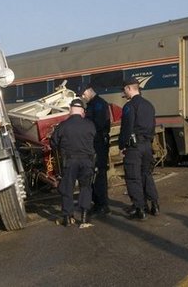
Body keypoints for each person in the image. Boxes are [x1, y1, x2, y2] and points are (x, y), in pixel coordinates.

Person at [50, 98, 96, 227]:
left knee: (67, 188)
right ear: (82, 111)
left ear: (70, 109)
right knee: (85, 187)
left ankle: (67, 218)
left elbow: (53, 143)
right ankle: (85, 218)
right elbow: (95, 139)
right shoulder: (90, 125)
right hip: (87, 160)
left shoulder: (62, 126)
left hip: (69, 161)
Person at [118, 77, 160, 220]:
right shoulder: (149, 105)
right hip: (147, 146)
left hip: (134, 147)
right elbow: (153, 126)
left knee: (133, 177)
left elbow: (126, 128)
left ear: (129, 88)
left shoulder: (129, 106)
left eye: (124, 90)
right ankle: (154, 204)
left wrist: (122, 145)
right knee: (146, 175)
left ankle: (139, 209)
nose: (124, 93)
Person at [79, 83, 111, 215]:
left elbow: (98, 125)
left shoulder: (98, 104)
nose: (82, 96)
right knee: (95, 174)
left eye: (83, 93)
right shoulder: (93, 104)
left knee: (99, 174)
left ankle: (102, 205)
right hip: (95, 143)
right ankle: (98, 203)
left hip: (98, 144)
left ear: (89, 90)